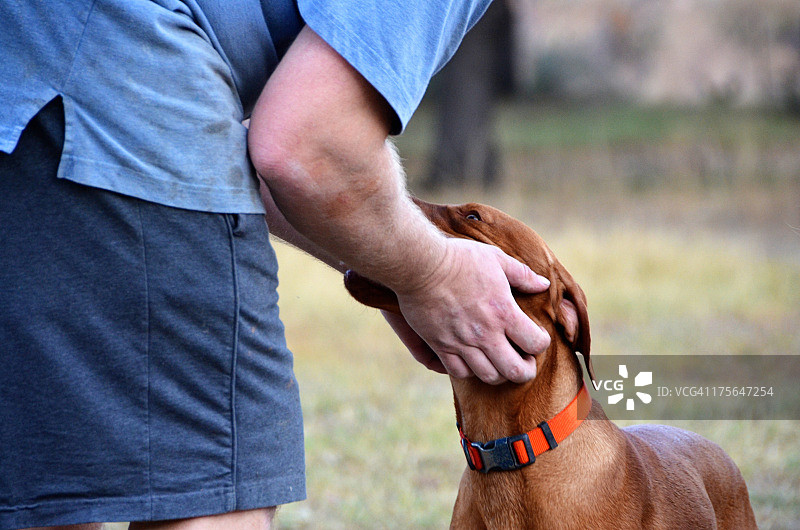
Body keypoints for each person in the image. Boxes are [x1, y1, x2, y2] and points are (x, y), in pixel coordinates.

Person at [0, 1, 552, 529]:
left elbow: (253, 149)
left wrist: (389, 266)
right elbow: (306, 148)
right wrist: (432, 273)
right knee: (218, 485)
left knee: (47, 485)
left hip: (21, 81)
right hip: (124, 68)